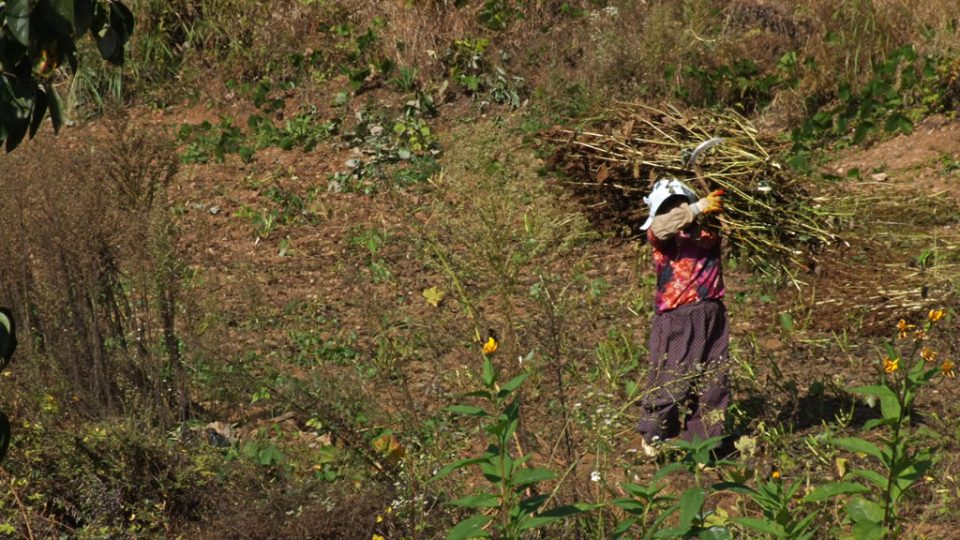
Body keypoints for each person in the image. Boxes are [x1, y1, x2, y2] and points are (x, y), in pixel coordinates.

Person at [634, 178, 728, 456]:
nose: (677, 210)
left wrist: (710, 209)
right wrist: (697, 208)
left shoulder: (707, 232)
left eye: (681, 204)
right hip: (678, 318)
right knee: (672, 381)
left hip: (712, 311)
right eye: (669, 207)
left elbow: (722, 228)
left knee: (715, 381)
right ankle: (654, 436)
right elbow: (660, 227)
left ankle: (704, 443)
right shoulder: (662, 236)